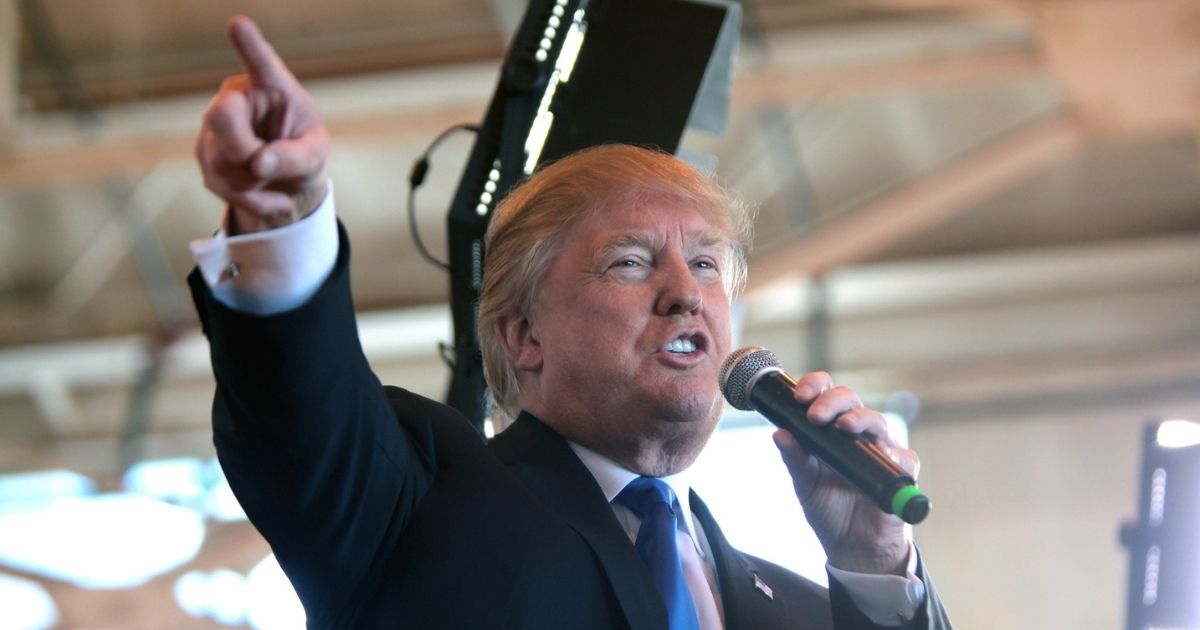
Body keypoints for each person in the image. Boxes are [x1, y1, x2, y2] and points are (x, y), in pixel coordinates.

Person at [189, 15, 951, 630]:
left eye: (708, 265)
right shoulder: (422, 499)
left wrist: (876, 568)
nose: (686, 294)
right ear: (523, 335)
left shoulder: (802, 609)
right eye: (630, 262)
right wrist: (284, 223)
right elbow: (303, 407)